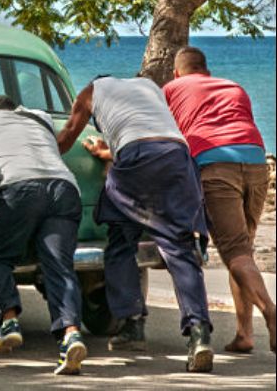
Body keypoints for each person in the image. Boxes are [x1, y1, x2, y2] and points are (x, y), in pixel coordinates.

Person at [57, 75, 215, 373]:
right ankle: (199, 334)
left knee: (119, 239)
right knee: (179, 246)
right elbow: (150, 130)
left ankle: (131, 325)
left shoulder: (90, 91)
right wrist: (112, 150)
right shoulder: (149, 86)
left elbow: (67, 135)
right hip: (177, 155)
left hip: (136, 158)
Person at [0, 95, 87, 375]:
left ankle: (9, 322)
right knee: (59, 267)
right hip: (65, 188)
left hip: (21, 189)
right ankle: (71, 334)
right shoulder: (40, 117)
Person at [164, 47, 276, 354]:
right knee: (242, 253)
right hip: (255, 162)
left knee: (236, 253)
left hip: (215, 166)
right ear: (207, 71)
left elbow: (163, 136)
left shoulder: (171, 89)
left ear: (177, 72)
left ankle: (271, 311)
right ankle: (245, 335)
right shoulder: (233, 87)